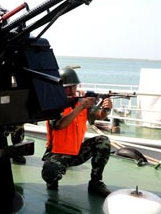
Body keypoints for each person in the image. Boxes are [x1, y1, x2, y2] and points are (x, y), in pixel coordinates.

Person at [41, 67, 112, 198]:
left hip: (77, 151)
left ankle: (96, 183)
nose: (72, 91)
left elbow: (96, 116)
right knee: (50, 172)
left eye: (74, 86)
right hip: (57, 153)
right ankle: (52, 185)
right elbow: (59, 125)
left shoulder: (81, 99)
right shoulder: (54, 103)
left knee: (103, 142)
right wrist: (80, 107)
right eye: (67, 87)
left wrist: (106, 109)